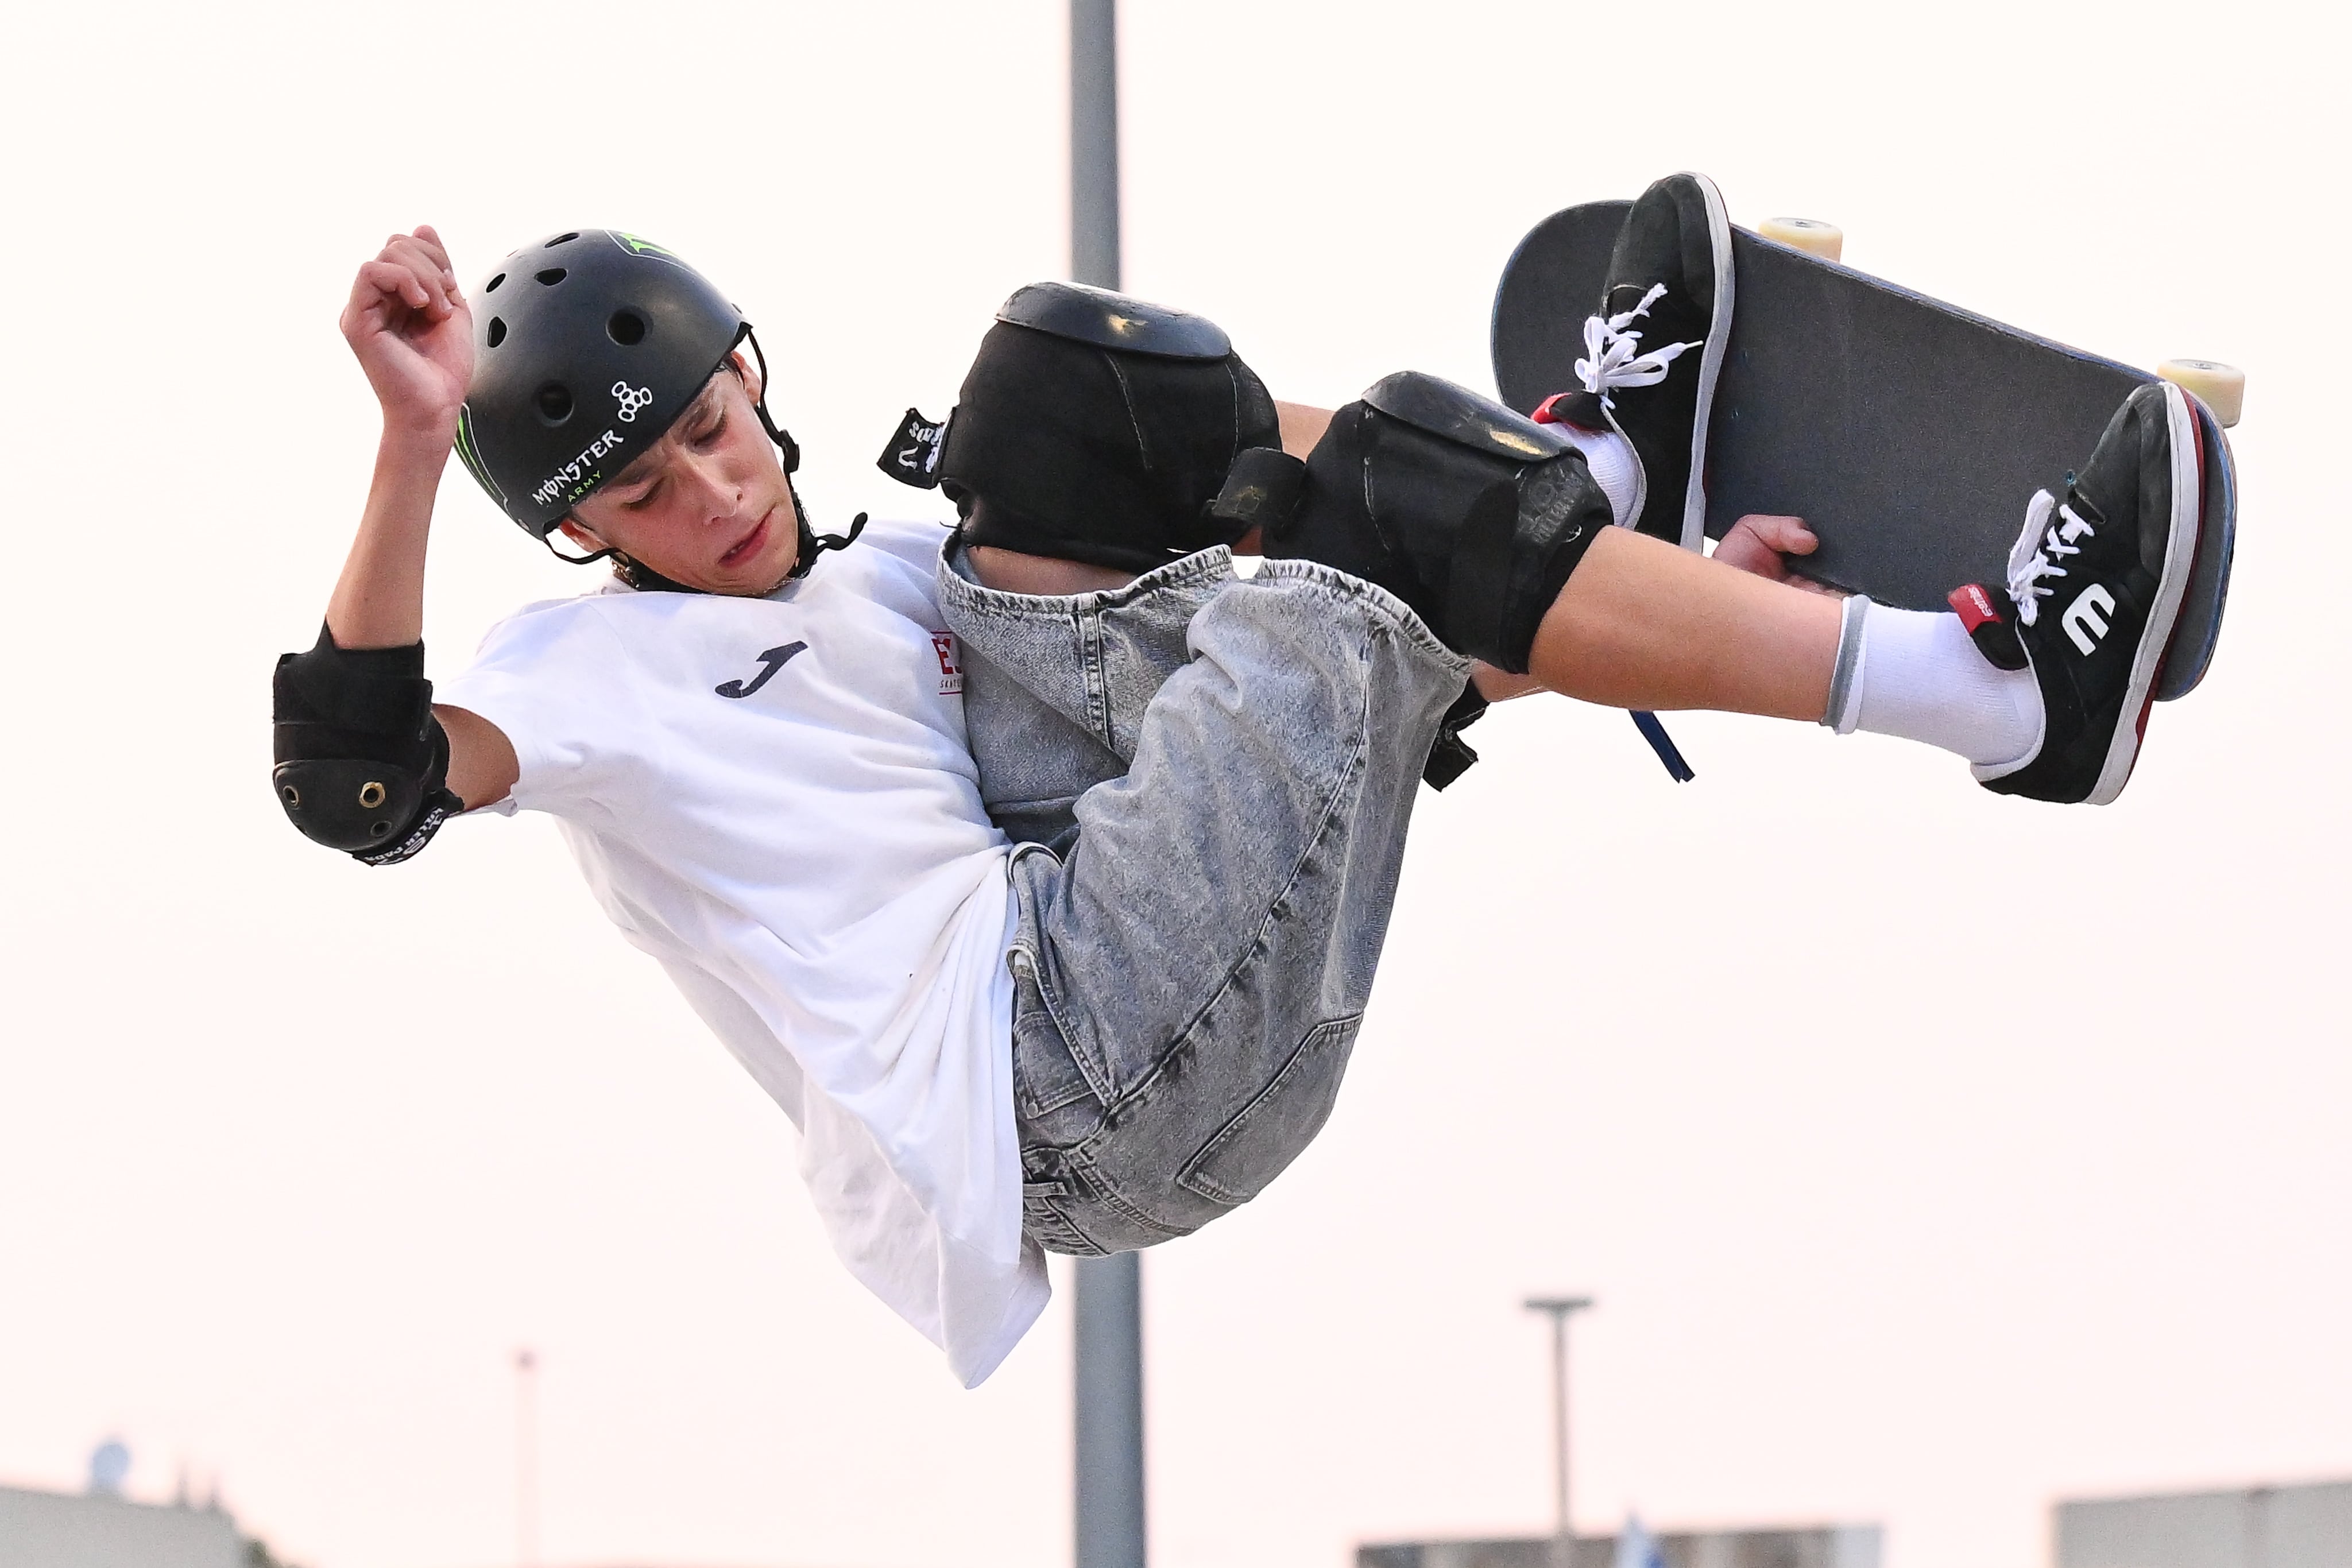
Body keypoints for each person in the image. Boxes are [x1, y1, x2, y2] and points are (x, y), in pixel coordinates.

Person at [272, 175, 2216, 1384]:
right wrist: (412, 446)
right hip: (1061, 1079)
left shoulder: (901, 576)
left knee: (1061, 410)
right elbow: (358, 781)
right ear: (581, 535)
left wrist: (1684, 614)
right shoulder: (580, 679)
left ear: (754, 374)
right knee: (1324, 585)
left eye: (713, 428)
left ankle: (1591, 489)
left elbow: (1360, 684)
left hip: (1108, 914)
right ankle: (2006, 700)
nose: (711, 495)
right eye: (644, 492)